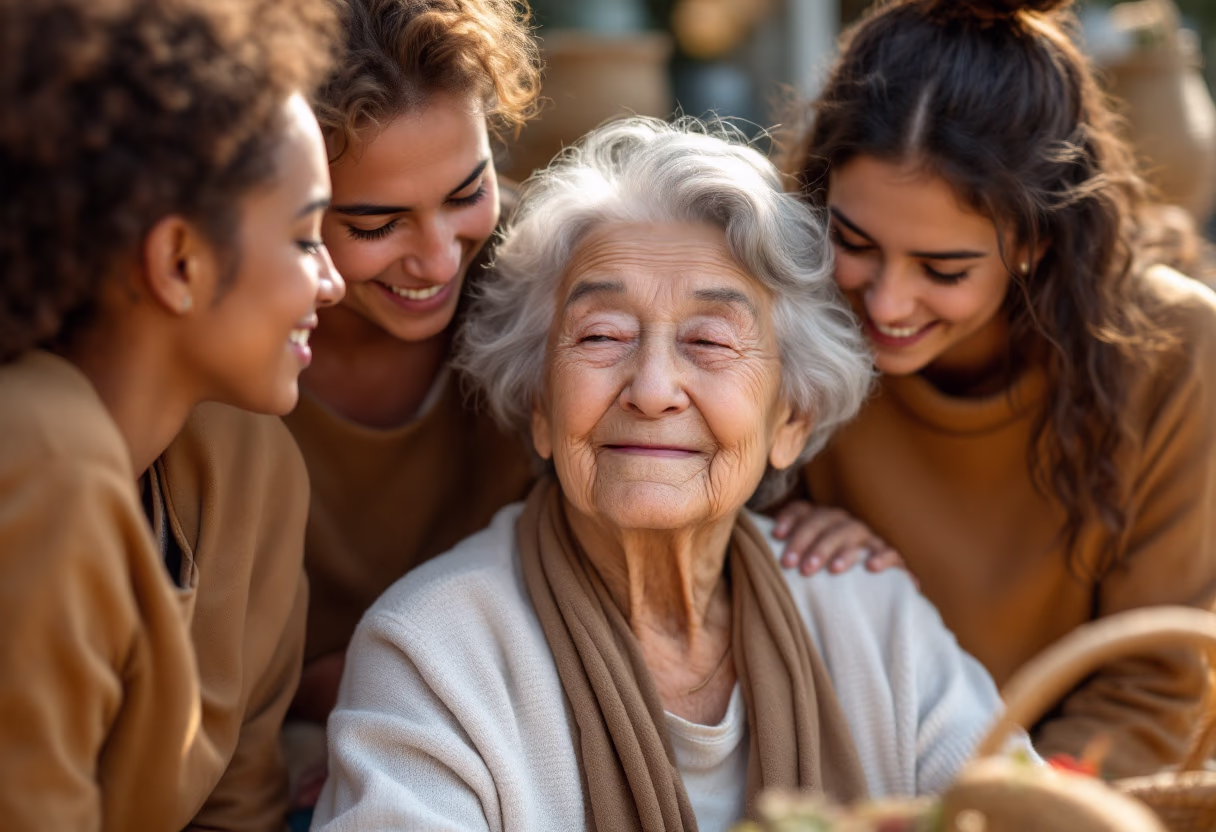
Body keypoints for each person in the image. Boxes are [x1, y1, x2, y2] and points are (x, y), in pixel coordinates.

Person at [312, 117, 1016, 832]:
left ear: (791, 418)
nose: (652, 388)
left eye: (709, 341)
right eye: (602, 335)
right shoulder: (434, 652)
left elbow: (1026, 811)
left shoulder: (871, 618)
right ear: (539, 404)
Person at [777, 0, 1216, 777]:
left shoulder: (1176, 350)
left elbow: (1153, 681)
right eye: (854, 243)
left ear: (1035, 241)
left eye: (943, 271)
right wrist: (782, 531)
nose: (885, 303)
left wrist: (1000, 813)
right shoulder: (792, 310)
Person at [0, 1, 344, 829]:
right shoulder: (40, 452)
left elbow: (239, 809)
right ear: (178, 261)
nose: (331, 282)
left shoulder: (254, 471)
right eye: (304, 239)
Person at [282, 0, 541, 732]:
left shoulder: (542, 283)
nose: (436, 259)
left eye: (468, 194)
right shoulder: (220, 345)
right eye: (376, 224)